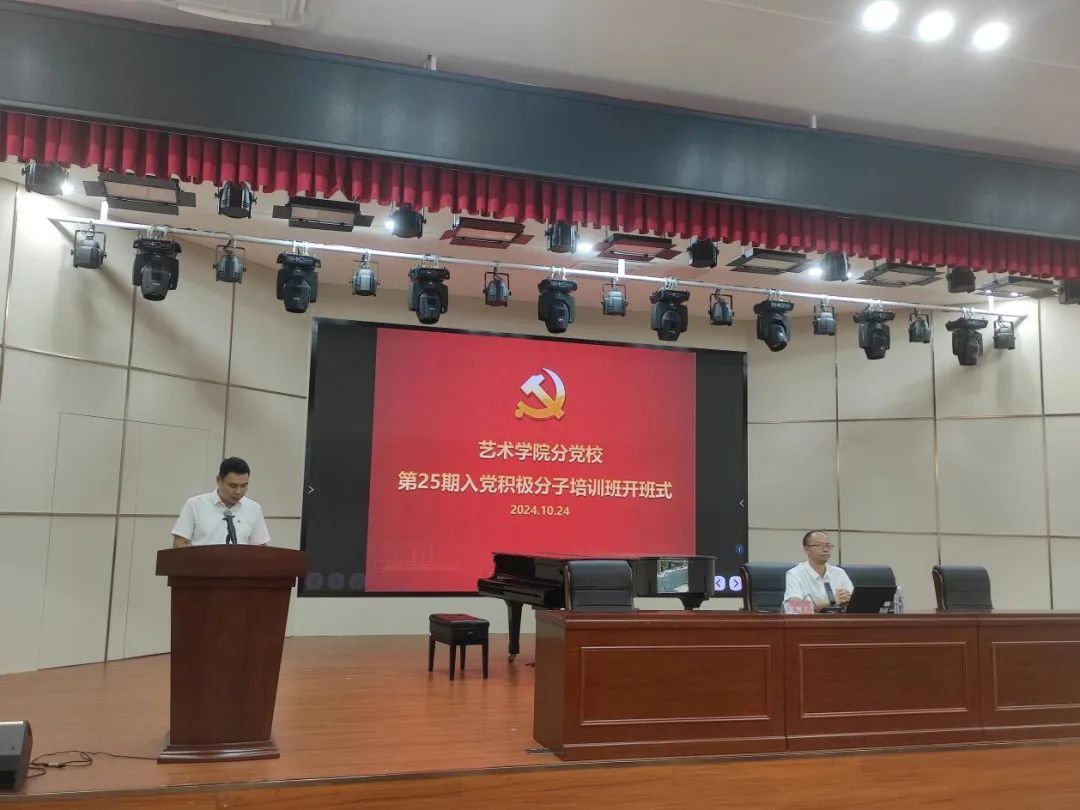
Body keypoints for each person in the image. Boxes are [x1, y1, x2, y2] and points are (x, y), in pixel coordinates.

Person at [171, 457, 271, 548]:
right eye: (233, 486)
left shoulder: (253, 508)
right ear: (219, 480)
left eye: (243, 486)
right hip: (202, 562)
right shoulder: (195, 505)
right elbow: (180, 542)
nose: (238, 491)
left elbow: (260, 547)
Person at [783, 530, 853, 611]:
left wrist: (847, 600)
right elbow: (794, 607)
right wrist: (831, 601)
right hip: (809, 619)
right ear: (806, 549)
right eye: (819, 545)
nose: (825, 549)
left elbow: (854, 601)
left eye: (828, 545)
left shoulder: (839, 573)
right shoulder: (794, 574)